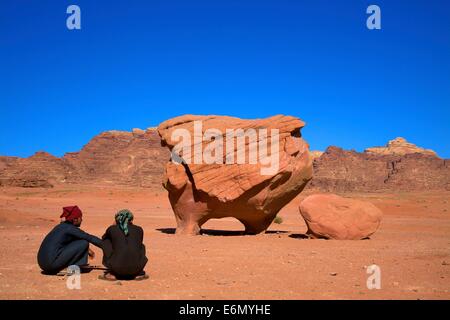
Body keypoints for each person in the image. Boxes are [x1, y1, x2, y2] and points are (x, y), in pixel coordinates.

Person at [37, 206, 102, 274]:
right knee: (84, 243)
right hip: (51, 264)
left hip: (42, 264)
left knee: (81, 242)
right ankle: (66, 268)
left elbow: (72, 240)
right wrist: (106, 245)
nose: (82, 220)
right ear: (75, 219)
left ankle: (62, 266)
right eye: (80, 217)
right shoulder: (70, 229)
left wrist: (88, 250)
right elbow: (89, 238)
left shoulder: (61, 227)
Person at [99, 209, 148, 281]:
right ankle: (139, 273)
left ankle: (112, 274)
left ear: (117, 219)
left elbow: (104, 238)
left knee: (106, 242)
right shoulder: (139, 229)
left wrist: (113, 226)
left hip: (116, 269)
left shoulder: (112, 229)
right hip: (136, 269)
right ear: (131, 220)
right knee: (141, 245)